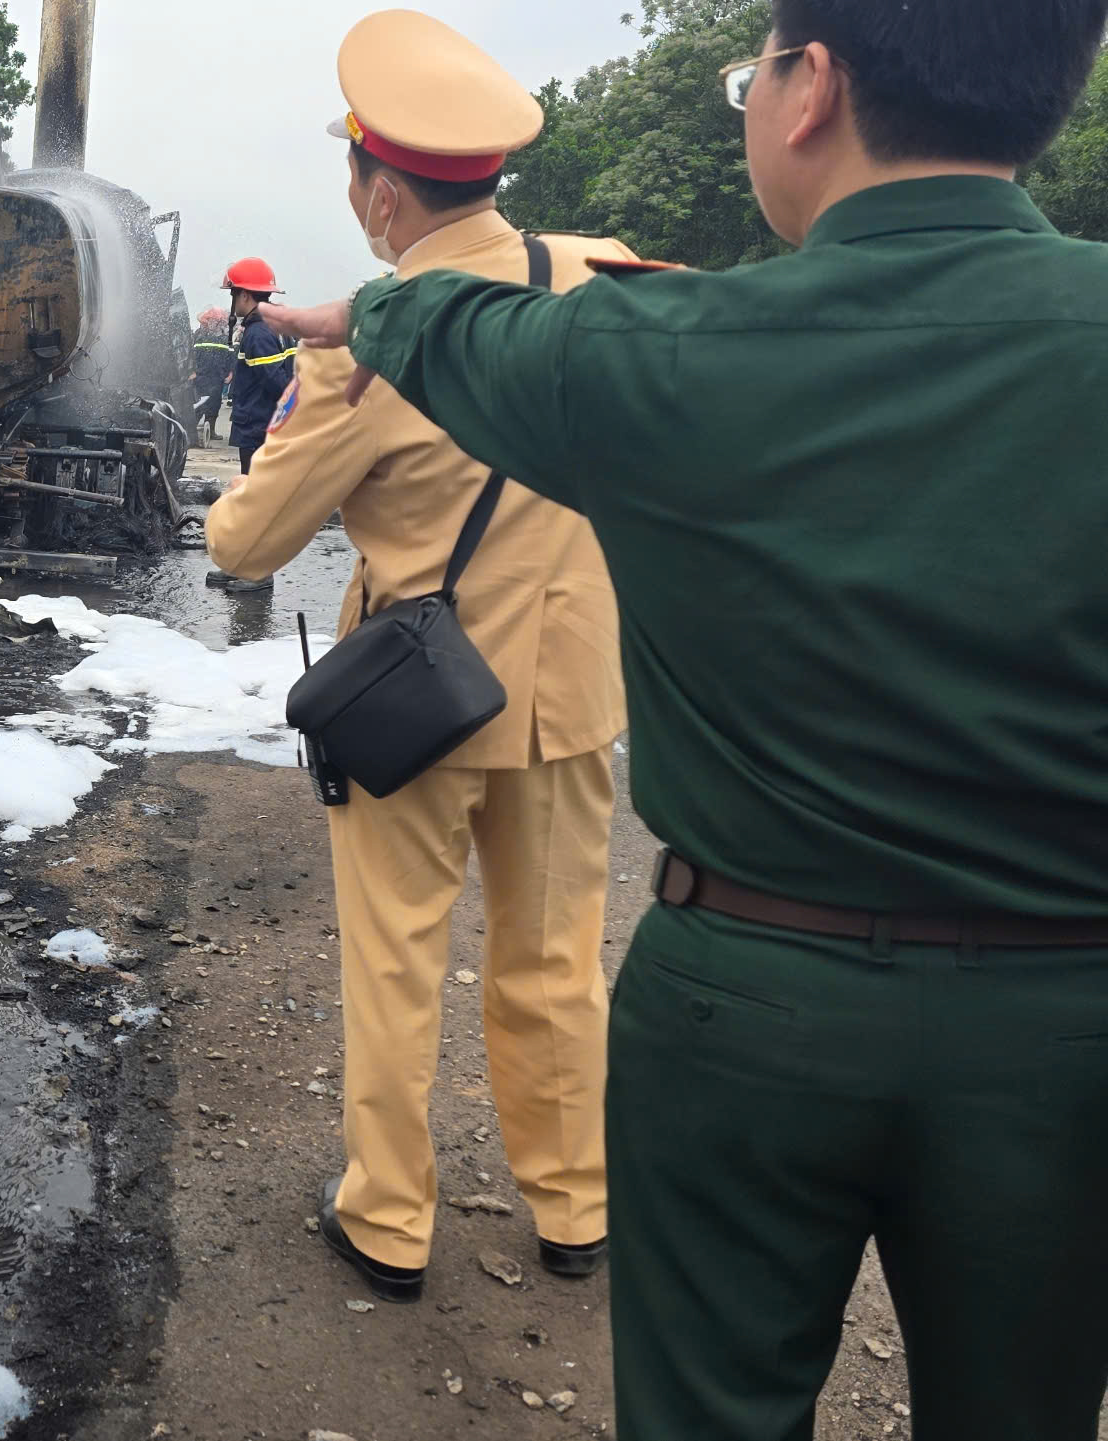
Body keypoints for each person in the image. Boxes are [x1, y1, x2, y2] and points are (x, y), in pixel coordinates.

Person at [258, 1, 1108, 1435]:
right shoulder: (636, 296)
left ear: (811, 88)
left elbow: (449, 332)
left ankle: (392, 1213)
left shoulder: (670, 351)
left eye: (750, 70)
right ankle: (562, 1198)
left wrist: (372, 310)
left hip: (746, 1001)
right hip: (1065, 1018)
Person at [206, 8, 639, 1310]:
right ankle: (575, 1208)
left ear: (381, 190)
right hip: (569, 695)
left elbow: (240, 540)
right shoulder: (599, 280)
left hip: (419, 701)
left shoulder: (364, 352)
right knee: (558, 959)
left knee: (397, 959)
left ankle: (391, 1221)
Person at [222, 258, 295, 470]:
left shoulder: (259, 332)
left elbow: (278, 383)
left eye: (233, 293)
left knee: (255, 493)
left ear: (244, 294)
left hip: (257, 428)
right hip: (268, 426)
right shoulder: (277, 325)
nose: (233, 301)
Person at [190, 306, 233, 442]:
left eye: (218, 321)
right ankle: (192, 431)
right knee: (198, 404)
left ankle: (211, 431)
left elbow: (230, 357)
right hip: (201, 375)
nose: (215, 323)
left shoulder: (226, 338)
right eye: (212, 320)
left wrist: (230, 373)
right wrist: (191, 371)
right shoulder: (198, 335)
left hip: (217, 377)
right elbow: (190, 355)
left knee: (214, 404)